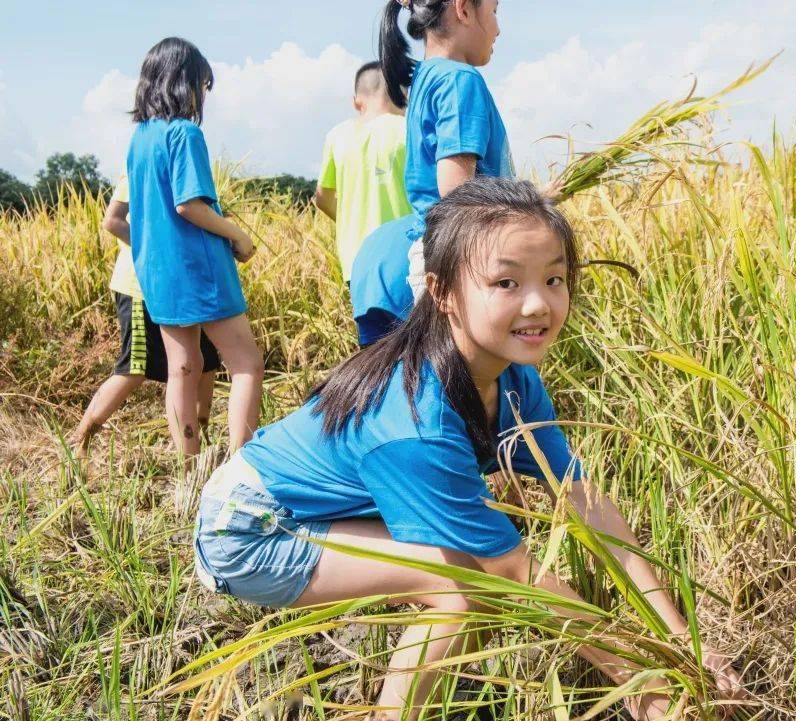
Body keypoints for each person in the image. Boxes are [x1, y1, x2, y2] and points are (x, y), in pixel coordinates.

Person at [193, 178, 742, 720]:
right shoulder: (416, 419)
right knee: (464, 588)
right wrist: (638, 678)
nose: (538, 305)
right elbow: (510, 570)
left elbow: (583, 500)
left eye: (554, 278)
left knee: (465, 582)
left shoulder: (511, 376)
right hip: (250, 528)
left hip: (311, 508)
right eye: (506, 283)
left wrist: (681, 640)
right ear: (442, 292)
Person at [126, 37, 264, 457]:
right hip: (198, 267)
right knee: (247, 364)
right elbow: (189, 205)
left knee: (183, 367)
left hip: (156, 269)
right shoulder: (183, 133)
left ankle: (188, 467)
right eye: (203, 84)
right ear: (184, 82)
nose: (204, 94)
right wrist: (236, 234)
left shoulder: (140, 139)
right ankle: (241, 467)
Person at [350, 0, 514, 345]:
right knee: (463, 381)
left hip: (434, 250)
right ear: (464, 9)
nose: (498, 28)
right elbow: (456, 190)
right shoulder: (460, 79)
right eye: (495, 11)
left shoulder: (427, 76)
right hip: (463, 254)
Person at [71, 175, 222, 458]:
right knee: (134, 368)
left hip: (182, 285)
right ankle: (80, 440)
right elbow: (113, 220)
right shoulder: (141, 168)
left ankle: (200, 442)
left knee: (207, 359)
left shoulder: (184, 169)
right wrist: (154, 252)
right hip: (140, 286)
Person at [314, 61, 411, 287]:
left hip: (356, 263)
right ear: (403, 95)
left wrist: (352, 219)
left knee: (369, 322)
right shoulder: (408, 130)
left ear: (357, 101)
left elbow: (322, 197)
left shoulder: (337, 136)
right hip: (405, 258)